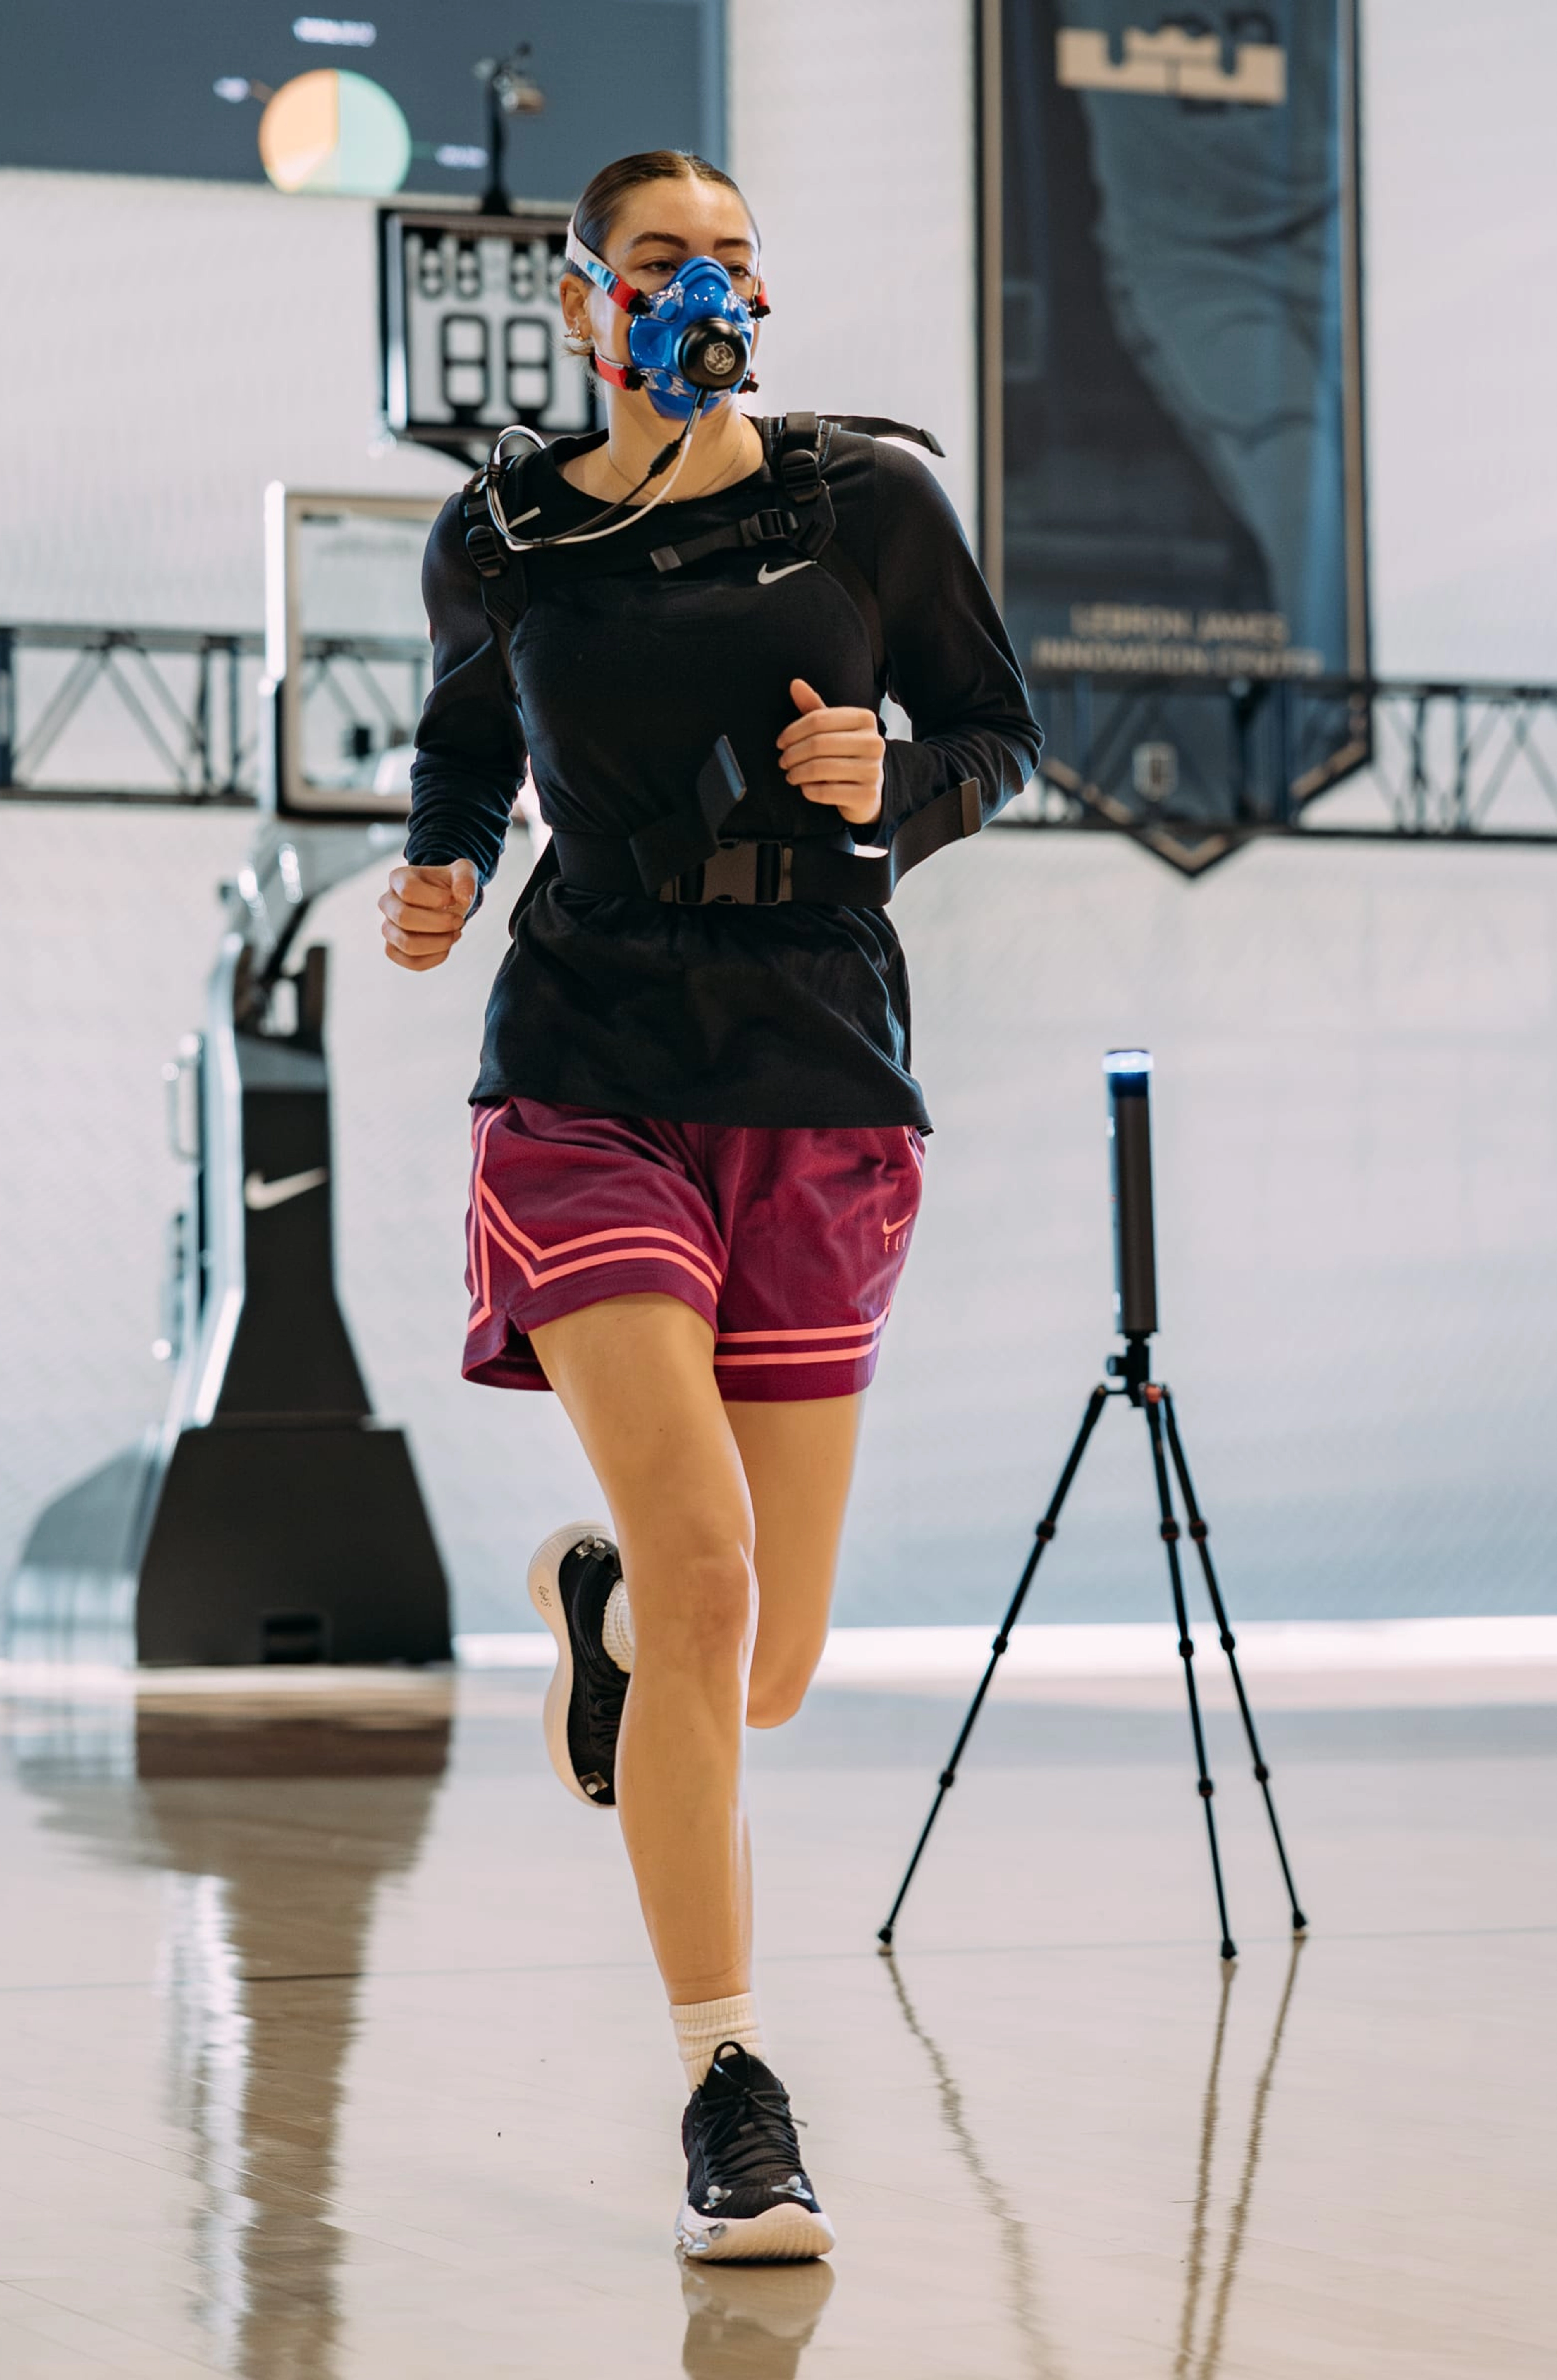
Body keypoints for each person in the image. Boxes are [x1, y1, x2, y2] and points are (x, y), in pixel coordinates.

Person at [380, 148, 1041, 2263]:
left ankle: (617, 1633)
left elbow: (999, 732)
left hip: (817, 1071)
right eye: (667, 261)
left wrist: (895, 782)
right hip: (586, 1065)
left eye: (740, 259)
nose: (709, 289)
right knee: (708, 1552)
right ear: (586, 298)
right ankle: (733, 2092)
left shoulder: (871, 503)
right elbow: (468, 747)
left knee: (748, 1657)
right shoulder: (503, 533)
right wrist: (445, 871)